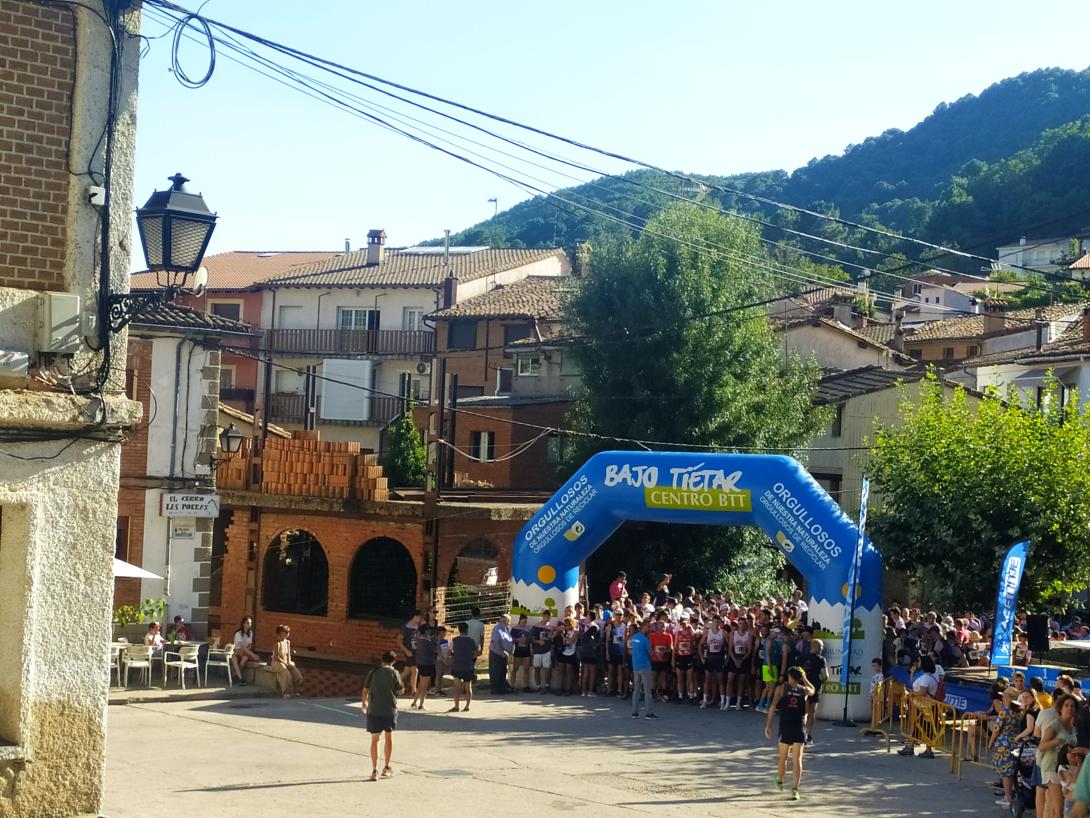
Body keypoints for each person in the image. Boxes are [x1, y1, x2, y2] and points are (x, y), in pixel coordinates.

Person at [765, 666, 815, 801]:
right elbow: (813, 690)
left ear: (789, 676)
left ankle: (780, 780)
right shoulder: (804, 690)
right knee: (797, 759)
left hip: (785, 725)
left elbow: (773, 706)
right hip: (799, 726)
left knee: (783, 757)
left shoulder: (781, 689)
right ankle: (795, 789)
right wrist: (805, 679)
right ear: (799, 678)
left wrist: (768, 725)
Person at [362, 650, 403, 781]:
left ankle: (374, 770)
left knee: (375, 739)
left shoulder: (373, 671)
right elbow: (400, 690)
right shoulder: (394, 672)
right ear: (394, 661)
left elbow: (365, 689)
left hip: (374, 709)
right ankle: (387, 767)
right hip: (389, 709)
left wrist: (364, 702)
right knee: (389, 736)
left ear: (382, 659)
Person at [1041, 692, 1079, 818]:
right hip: (1052, 767)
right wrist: (1056, 742)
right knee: (1058, 808)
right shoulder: (1055, 725)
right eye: (1066, 705)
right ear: (1061, 708)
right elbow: (1041, 746)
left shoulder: (1073, 728)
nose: (1069, 708)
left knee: (1063, 805)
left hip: (1066, 768)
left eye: (1072, 706)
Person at [897, 656, 940, 757]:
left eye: (920, 661)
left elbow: (922, 692)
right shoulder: (931, 676)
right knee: (917, 726)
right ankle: (911, 747)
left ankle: (927, 750)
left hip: (925, 707)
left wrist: (912, 693)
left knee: (925, 727)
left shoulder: (926, 678)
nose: (918, 663)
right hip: (922, 706)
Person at [990, 687, 1024, 808]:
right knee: (1013, 771)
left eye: (1004, 696)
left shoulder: (1005, 712)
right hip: (1016, 743)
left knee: (1006, 773)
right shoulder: (1020, 712)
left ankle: (1008, 797)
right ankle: (1013, 796)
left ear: (1010, 698)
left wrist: (990, 742)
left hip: (1003, 745)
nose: (1002, 698)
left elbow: (996, 729)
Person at [801, 638, 828, 745]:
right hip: (815, 687)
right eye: (821, 646)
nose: (822, 648)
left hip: (803, 687)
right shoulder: (821, 659)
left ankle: (803, 734)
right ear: (815, 646)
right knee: (812, 712)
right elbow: (826, 676)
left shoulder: (802, 657)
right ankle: (809, 735)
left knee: (804, 712)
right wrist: (820, 681)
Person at [630, 618, 656, 719]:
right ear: (644, 627)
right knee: (647, 690)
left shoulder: (634, 637)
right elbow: (651, 653)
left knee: (636, 690)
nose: (649, 629)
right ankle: (648, 712)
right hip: (645, 666)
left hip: (635, 666)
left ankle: (634, 711)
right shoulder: (645, 640)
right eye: (648, 627)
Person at [449, 622, 477, 712]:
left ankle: (456, 706)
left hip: (457, 665)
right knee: (468, 687)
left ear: (459, 630)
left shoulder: (454, 640)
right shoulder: (471, 641)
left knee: (457, 687)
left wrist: (453, 656)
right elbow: (475, 653)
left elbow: (449, 652)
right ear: (467, 630)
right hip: (468, 666)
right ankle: (467, 706)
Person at [411, 624, 438, 709]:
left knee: (421, 683)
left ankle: (415, 701)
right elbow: (435, 651)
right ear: (427, 631)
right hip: (428, 663)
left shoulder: (418, 640)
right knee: (425, 685)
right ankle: (421, 704)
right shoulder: (428, 642)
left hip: (420, 663)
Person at [271, 624, 303, 698]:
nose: (287, 633)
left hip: (285, 661)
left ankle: (295, 691)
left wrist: (289, 662)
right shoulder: (277, 643)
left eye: (287, 632)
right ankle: (285, 692)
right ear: (280, 633)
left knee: (297, 674)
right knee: (286, 673)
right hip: (277, 662)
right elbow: (276, 657)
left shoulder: (288, 642)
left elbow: (288, 654)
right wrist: (284, 663)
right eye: (285, 632)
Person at [230, 615, 261, 684]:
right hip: (237, 652)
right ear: (243, 624)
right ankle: (241, 678)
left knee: (245, 658)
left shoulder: (250, 633)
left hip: (245, 652)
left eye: (250, 623)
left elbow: (250, 645)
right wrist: (252, 655)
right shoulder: (238, 634)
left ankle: (236, 675)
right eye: (247, 623)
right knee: (234, 658)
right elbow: (241, 647)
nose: (249, 625)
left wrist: (246, 651)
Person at [488, 614, 514, 694]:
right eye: (508, 621)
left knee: (502, 671)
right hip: (497, 654)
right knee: (496, 671)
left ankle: (501, 688)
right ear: (504, 621)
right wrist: (502, 652)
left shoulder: (506, 629)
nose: (509, 623)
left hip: (504, 655)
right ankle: (495, 689)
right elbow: (495, 642)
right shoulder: (497, 629)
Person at [531, 610, 554, 693]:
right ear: (543, 616)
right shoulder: (535, 626)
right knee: (537, 669)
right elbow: (532, 639)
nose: (548, 619)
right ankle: (538, 687)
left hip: (547, 650)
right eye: (547, 617)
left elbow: (551, 637)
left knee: (548, 669)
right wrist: (538, 642)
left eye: (550, 618)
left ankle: (547, 686)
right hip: (537, 651)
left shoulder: (551, 627)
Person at [508, 614, 533, 692]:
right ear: (519, 621)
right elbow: (511, 639)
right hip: (518, 650)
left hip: (526, 650)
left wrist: (527, 640)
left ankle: (526, 686)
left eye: (525, 622)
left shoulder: (529, 628)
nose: (524, 624)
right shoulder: (515, 628)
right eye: (522, 622)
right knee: (515, 668)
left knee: (526, 669)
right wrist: (518, 640)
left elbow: (531, 639)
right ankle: (512, 685)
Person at [399, 611, 423, 694]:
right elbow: (398, 640)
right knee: (414, 670)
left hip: (416, 652)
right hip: (409, 652)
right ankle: (414, 690)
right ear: (415, 616)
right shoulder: (406, 627)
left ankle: (392, 683)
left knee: (407, 671)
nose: (420, 620)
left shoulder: (418, 626)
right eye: (419, 618)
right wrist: (406, 651)